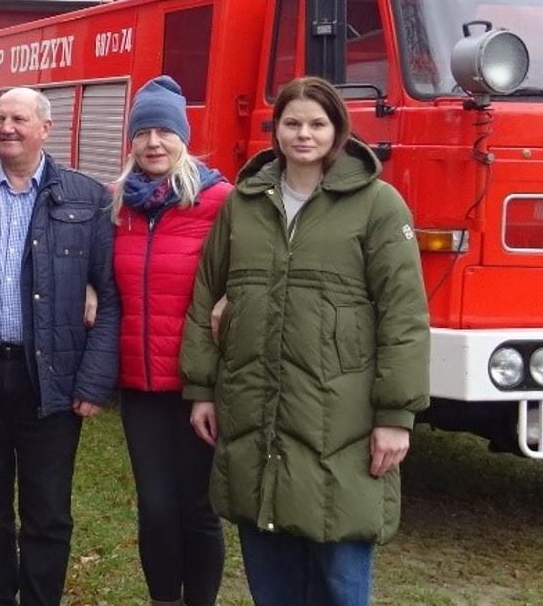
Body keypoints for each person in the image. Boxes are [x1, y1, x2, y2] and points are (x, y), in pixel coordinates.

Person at [181, 76, 430, 606]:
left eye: (317, 124)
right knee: (270, 573)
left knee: (340, 576)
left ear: (338, 130)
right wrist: (201, 388)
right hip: (253, 413)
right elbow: (206, 295)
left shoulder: (377, 205)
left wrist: (395, 415)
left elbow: (404, 316)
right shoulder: (244, 204)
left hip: (341, 420)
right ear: (276, 130)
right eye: (292, 123)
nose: (303, 134)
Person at [0, 87, 119, 606]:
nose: (6, 128)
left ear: (46, 129)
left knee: (48, 514)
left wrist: (93, 381)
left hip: (52, 381)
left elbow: (109, 296)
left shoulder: (86, 197)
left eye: (18, 118)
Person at [109, 77, 230, 606]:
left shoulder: (219, 201)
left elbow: (252, 269)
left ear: (184, 137)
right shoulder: (117, 205)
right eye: (143, 133)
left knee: (197, 507)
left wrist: (233, 298)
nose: (153, 143)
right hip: (139, 385)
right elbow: (93, 267)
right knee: (155, 507)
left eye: (164, 132)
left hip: (197, 385)